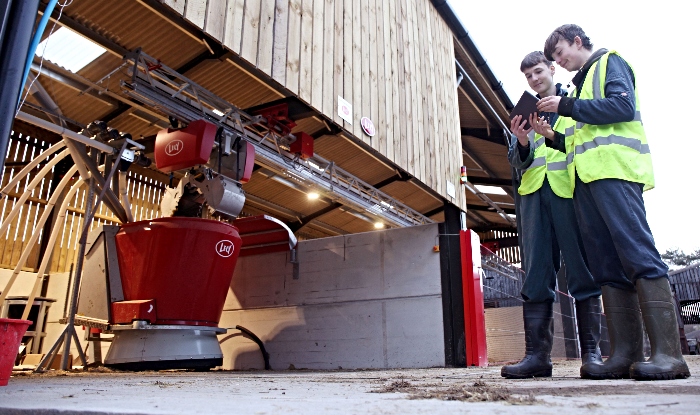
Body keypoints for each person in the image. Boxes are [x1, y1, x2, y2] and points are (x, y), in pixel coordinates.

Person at [537, 24, 690, 380]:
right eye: (555, 57)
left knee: (637, 254)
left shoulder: (610, 63)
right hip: (587, 182)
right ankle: (625, 354)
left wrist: (567, 105)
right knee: (606, 265)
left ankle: (669, 355)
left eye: (560, 53)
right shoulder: (580, 83)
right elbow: (583, 139)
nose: (560, 60)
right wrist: (553, 137)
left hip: (616, 174)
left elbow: (621, 108)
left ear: (578, 41)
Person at [501, 51, 603, 379]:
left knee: (581, 270)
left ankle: (592, 354)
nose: (534, 79)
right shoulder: (523, 113)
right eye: (528, 75)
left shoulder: (571, 104)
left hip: (568, 194)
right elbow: (516, 162)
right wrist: (521, 140)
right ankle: (537, 357)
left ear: (551, 69)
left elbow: (581, 146)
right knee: (535, 274)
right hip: (533, 198)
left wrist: (551, 136)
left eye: (538, 71)